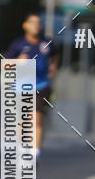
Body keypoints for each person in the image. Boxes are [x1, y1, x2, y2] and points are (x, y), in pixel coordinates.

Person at [5, 14, 58, 159]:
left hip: (41, 85)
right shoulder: (18, 44)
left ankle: (35, 153)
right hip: (21, 87)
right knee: (22, 122)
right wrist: (17, 61)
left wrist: (53, 67)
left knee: (36, 119)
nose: (36, 25)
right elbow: (6, 64)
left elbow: (54, 56)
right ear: (25, 25)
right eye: (32, 22)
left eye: (38, 22)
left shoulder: (46, 43)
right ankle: (23, 147)